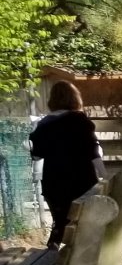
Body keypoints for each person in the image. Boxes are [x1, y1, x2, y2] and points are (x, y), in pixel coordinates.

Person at [27, 80, 106, 249]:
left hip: (53, 181)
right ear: (75, 98)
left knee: (60, 221)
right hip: (81, 180)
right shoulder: (80, 121)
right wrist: (105, 175)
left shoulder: (44, 124)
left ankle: (54, 245)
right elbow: (92, 151)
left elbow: (37, 155)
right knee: (82, 222)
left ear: (52, 99)